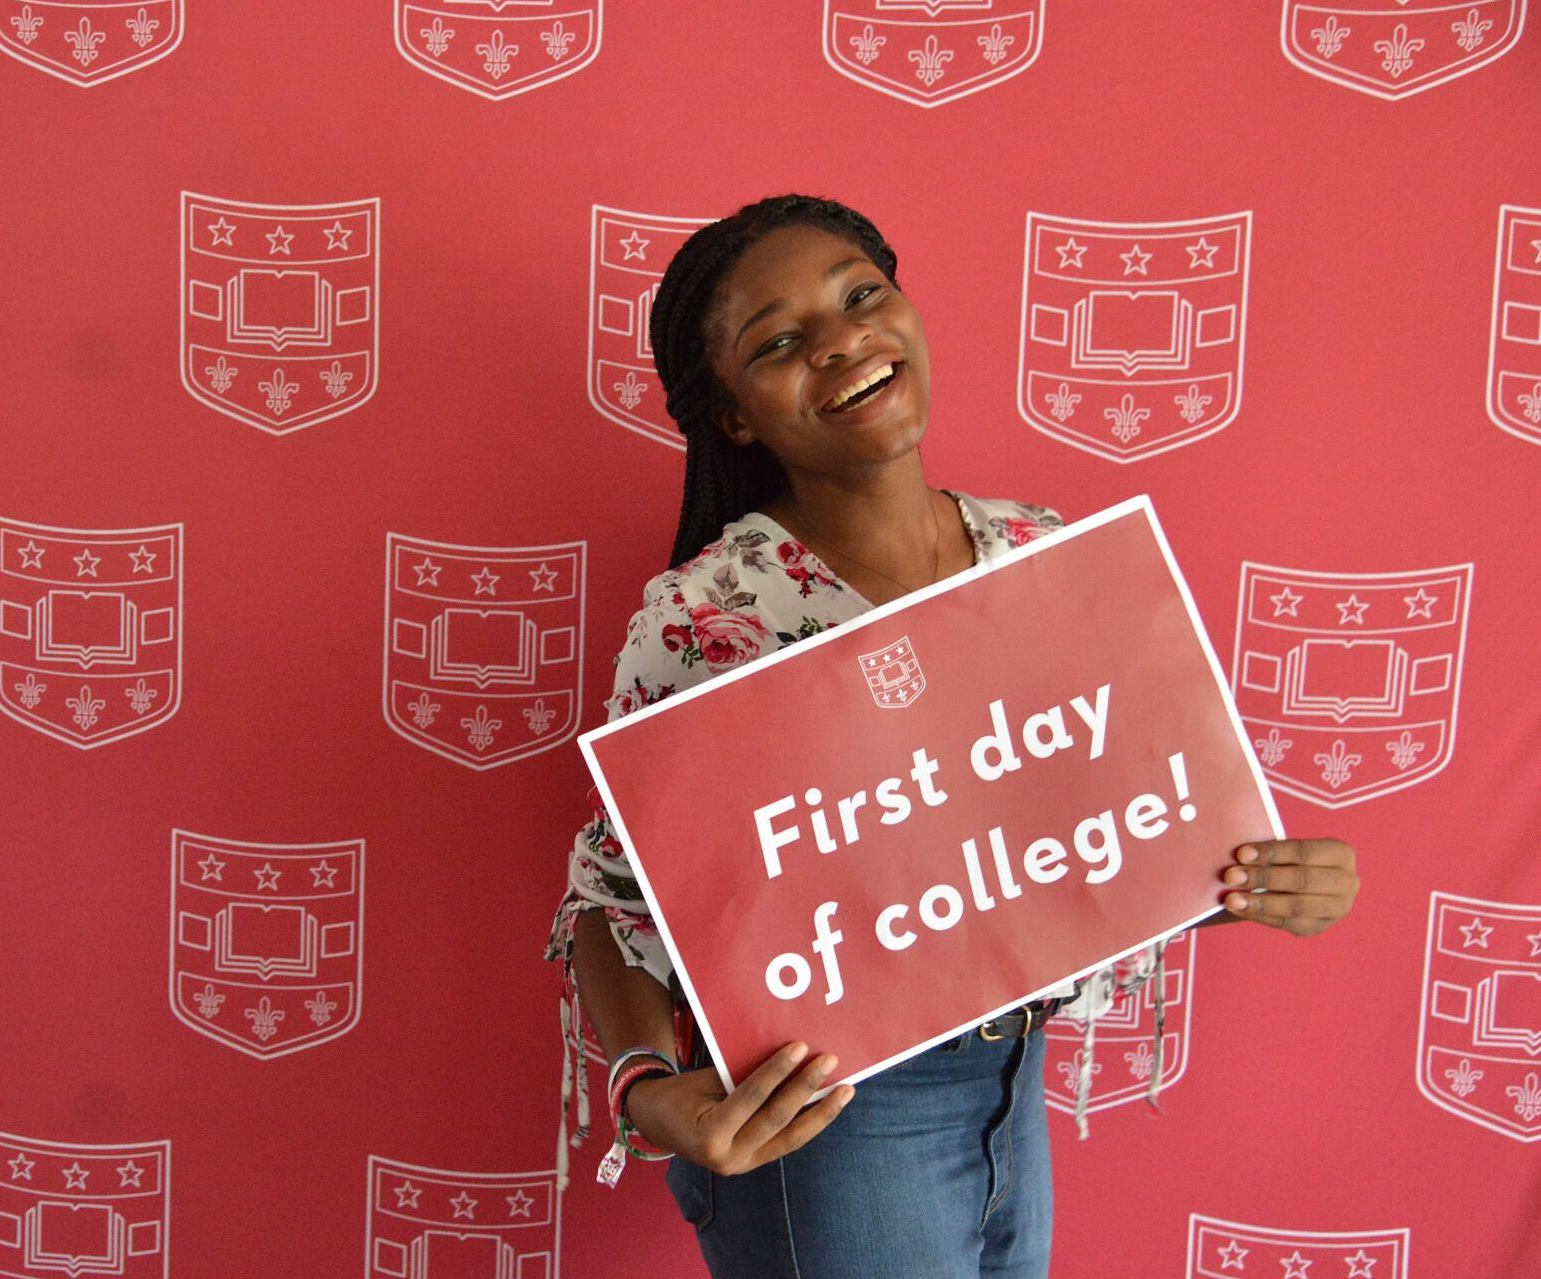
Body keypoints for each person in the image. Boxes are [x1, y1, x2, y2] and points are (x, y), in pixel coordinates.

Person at [543, 194, 1361, 1277]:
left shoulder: (1044, 554)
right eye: (779, 341)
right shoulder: (712, 616)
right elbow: (609, 895)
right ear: (733, 414)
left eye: (859, 295)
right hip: (834, 1114)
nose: (839, 340)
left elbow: (1061, 845)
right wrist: (646, 1088)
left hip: (1015, 1088)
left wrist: (1252, 875)